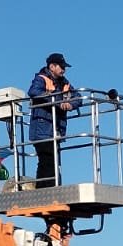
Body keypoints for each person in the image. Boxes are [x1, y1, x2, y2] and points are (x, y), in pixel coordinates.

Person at [27, 52, 78, 187]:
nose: (64, 69)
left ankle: (50, 189)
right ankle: (44, 191)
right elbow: (33, 92)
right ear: (52, 66)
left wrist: (70, 104)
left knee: (53, 161)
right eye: (61, 66)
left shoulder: (65, 83)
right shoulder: (41, 79)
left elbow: (78, 96)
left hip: (55, 130)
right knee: (47, 161)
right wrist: (58, 101)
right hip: (41, 129)